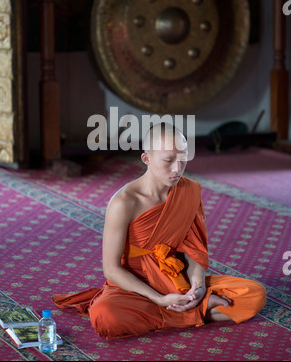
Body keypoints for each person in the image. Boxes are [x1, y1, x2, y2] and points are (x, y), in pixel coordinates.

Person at [52, 123, 266, 339]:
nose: (177, 168)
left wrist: (198, 289)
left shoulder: (188, 192)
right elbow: (112, 269)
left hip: (176, 279)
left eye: (182, 158)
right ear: (146, 159)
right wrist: (159, 299)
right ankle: (193, 311)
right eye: (168, 160)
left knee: (255, 295)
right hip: (134, 287)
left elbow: (194, 251)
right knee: (105, 316)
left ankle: (186, 307)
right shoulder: (124, 202)